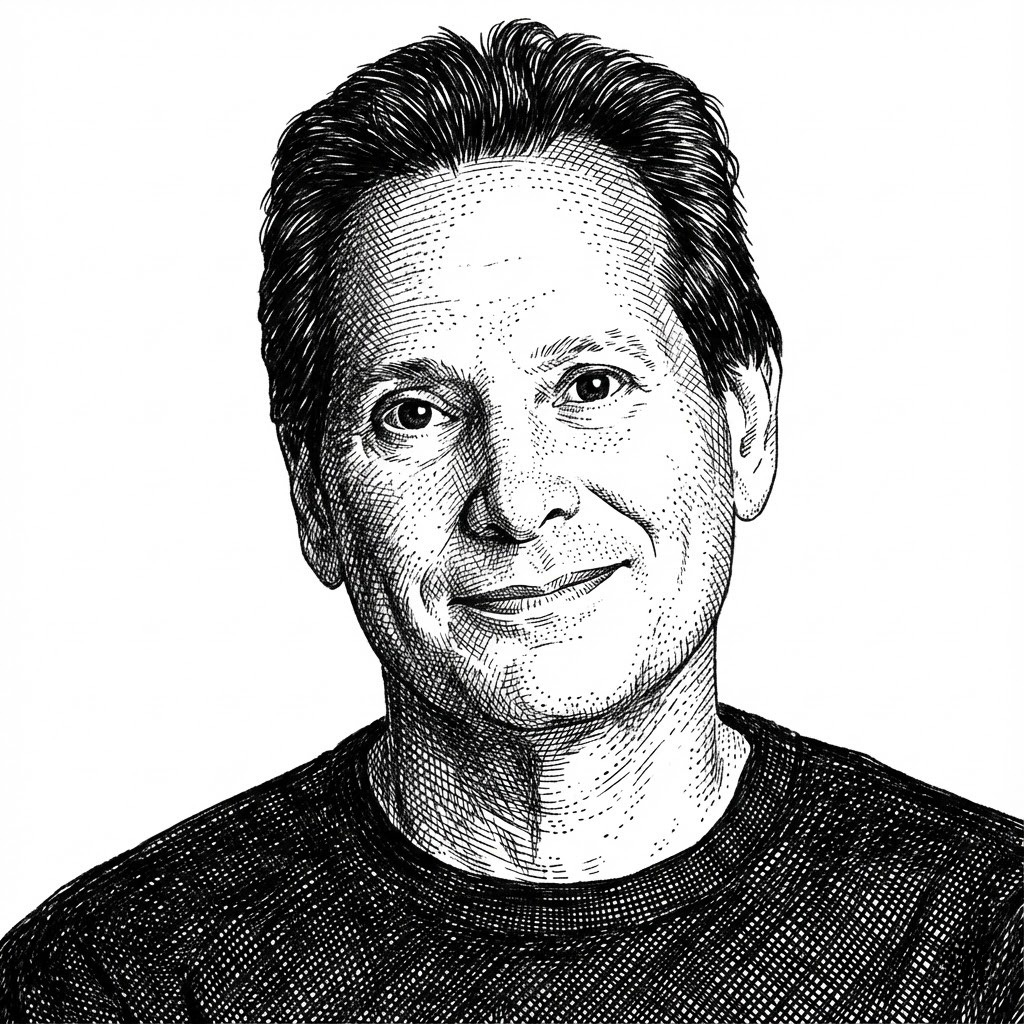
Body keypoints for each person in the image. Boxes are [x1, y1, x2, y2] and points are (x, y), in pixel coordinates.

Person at [1, 20, 1021, 1024]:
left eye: (591, 385)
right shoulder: (108, 985)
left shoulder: (991, 941)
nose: (517, 500)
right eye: (415, 413)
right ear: (314, 498)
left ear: (744, 426)